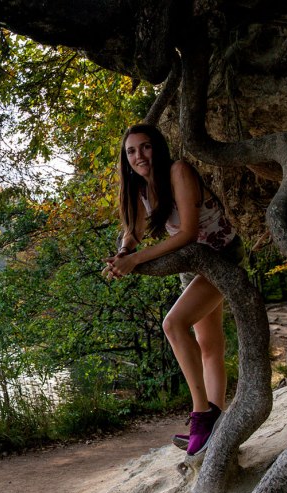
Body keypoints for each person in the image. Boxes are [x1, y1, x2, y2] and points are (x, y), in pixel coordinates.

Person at [104, 124, 242, 456]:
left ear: (159, 148)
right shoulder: (141, 190)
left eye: (145, 147)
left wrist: (135, 260)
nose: (139, 156)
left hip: (221, 257)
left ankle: (202, 415)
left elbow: (188, 234)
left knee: (172, 324)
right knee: (208, 346)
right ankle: (216, 425)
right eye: (132, 151)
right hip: (196, 267)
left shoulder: (178, 171)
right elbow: (133, 232)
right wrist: (123, 253)